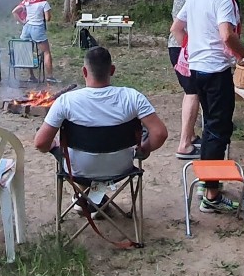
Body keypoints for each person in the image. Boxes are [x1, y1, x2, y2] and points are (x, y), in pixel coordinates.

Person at [34, 46, 168, 211]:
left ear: (84, 71)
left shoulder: (66, 101)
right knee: (98, 153)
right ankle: (92, 200)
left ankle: (86, 199)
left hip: (79, 170)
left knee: (72, 153)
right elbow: (160, 133)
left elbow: (40, 143)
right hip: (121, 168)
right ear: (112, 70)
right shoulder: (132, 97)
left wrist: (53, 146)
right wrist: (145, 149)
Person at [170, 0, 244, 213]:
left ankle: (208, 184)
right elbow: (227, 35)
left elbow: (176, 28)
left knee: (209, 127)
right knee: (218, 128)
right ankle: (212, 196)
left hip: (197, 68)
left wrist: (193, 49)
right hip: (216, 70)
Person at [168, 0, 220, 160]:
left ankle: (191, 136)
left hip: (178, 41)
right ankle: (184, 144)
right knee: (193, 92)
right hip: (186, 43)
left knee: (194, 90)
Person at [12, 0, 58, 83]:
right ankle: (49, 76)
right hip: (37, 28)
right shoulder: (43, 2)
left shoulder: (26, 1)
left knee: (28, 52)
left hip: (27, 28)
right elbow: (48, 18)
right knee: (46, 52)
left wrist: (23, 21)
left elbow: (14, 11)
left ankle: (31, 76)